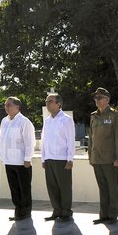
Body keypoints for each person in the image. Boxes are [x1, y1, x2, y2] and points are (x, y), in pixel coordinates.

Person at [88, 87, 118, 225]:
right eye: (95, 98)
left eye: (99, 98)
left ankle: (113, 215)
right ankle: (104, 214)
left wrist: (117, 158)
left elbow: (117, 138)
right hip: (97, 158)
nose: (97, 100)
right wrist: (90, 156)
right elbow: (91, 137)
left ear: (107, 99)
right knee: (102, 188)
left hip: (110, 159)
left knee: (112, 188)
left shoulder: (114, 115)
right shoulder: (93, 115)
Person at [0, 96, 36, 221]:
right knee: (14, 188)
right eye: (5, 105)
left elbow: (30, 142)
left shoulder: (24, 121)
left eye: (9, 105)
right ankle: (18, 211)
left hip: (21, 162)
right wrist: (2, 157)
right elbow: (2, 140)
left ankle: (25, 212)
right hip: (8, 161)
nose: (6, 107)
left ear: (17, 107)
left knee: (24, 188)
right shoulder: (4, 121)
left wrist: (27, 158)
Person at [42, 93, 75, 222]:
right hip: (49, 158)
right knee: (52, 186)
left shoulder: (66, 119)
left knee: (64, 187)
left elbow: (70, 140)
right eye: (46, 101)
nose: (47, 104)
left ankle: (66, 212)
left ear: (58, 104)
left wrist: (70, 159)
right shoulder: (47, 120)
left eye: (50, 101)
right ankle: (57, 210)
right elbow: (44, 140)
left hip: (62, 159)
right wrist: (43, 159)